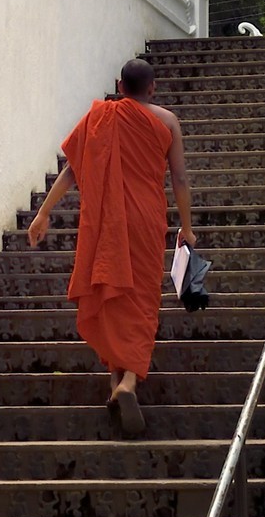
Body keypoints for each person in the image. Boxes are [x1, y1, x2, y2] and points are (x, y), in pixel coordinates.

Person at [28, 56, 194, 437]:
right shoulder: (168, 122)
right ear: (152, 88)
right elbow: (180, 180)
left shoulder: (100, 118)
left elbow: (72, 170)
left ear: (120, 87)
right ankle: (129, 381)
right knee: (142, 299)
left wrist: (43, 213)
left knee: (111, 291)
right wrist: (187, 228)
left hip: (110, 221)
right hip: (147, 220)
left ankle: (115, 379)